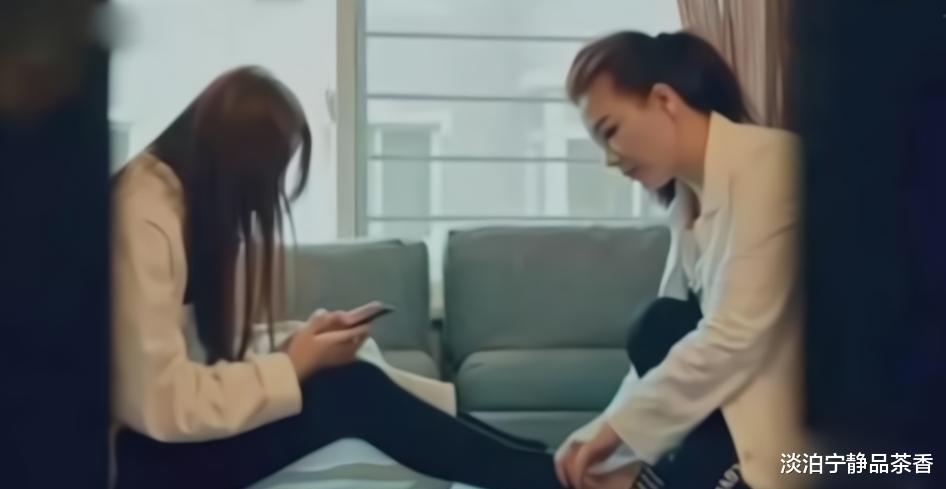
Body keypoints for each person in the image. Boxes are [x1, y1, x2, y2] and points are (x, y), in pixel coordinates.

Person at [110, 66, 562, 489]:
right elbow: (162, 403)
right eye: (268, 179)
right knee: (349, 393)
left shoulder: (178, 203)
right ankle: (555, 475)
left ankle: (553, 466)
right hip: (131, 462)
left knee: (350, 377)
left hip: (155, 443)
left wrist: (297, 347)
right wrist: (291, 365)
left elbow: (190, 351)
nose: (265, 199)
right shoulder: (142, 219)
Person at [555, 31, 808, 489]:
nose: (608, 159)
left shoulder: (771, 164)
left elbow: (734, 337)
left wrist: (612, 434)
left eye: (610, 132)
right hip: (752, 425)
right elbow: (661, 360)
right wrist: (608, 442)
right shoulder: (689, 204)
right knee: (660, 328)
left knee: (661, 326)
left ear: (664, 101)